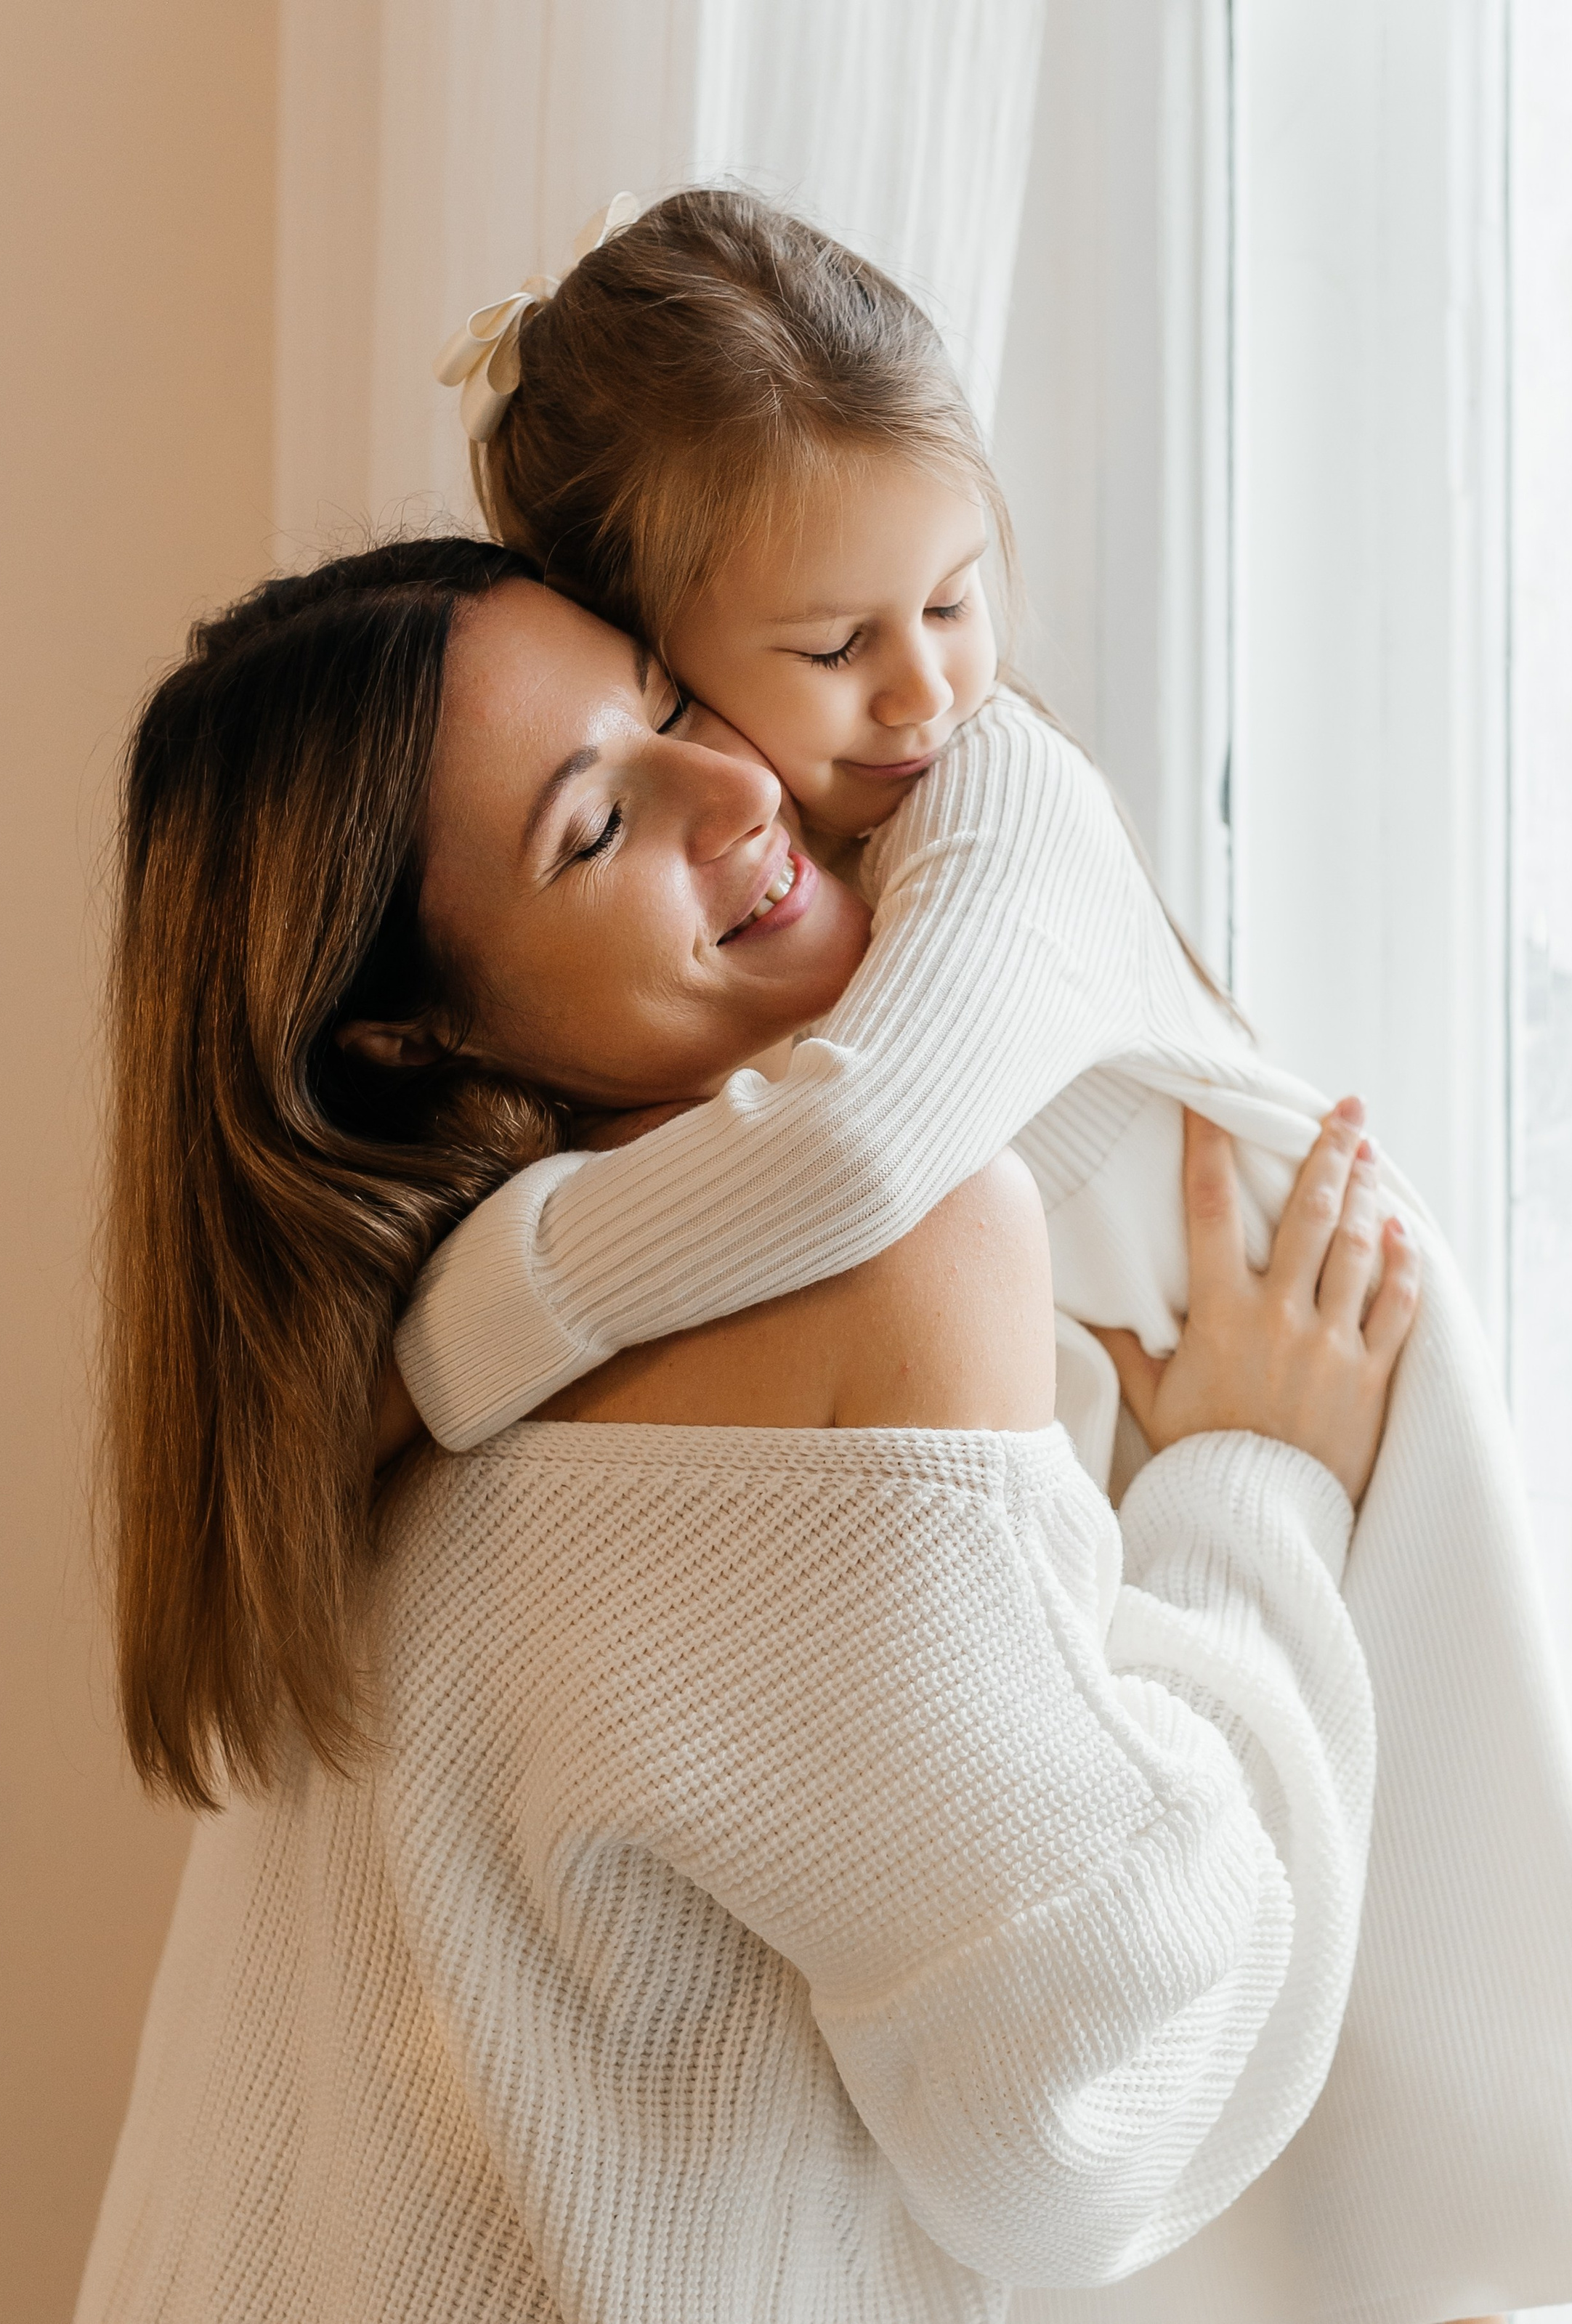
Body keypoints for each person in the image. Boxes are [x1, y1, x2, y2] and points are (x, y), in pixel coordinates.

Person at [402, 187, 1572, 2323]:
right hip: (1158, 1490)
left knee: (1399, 2138)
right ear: (659, 659)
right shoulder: (775, 900)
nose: (924, 690)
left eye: (958, 600)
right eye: (832, 649)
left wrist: (482, 1311)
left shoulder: (1002, 807)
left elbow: (871, 1144)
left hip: (1295, 1402)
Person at [82, 540, 1391, 2321]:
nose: (734, 784)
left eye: (670, 699)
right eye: (592, 825)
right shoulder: (897, 1254)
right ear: (404, 1035)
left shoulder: (349, 1386)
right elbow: (1093, 2097)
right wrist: (1257, 1488)